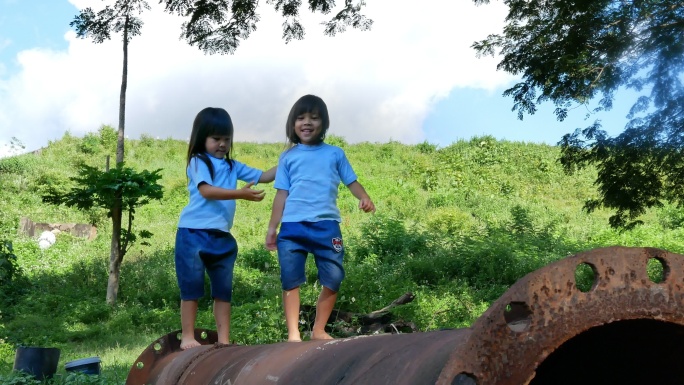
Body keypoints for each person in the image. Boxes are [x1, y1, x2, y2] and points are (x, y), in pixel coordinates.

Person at [265, 94, 375, 342]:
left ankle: (318, 330)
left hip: (326, 227)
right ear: (293, 124)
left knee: (334, 277)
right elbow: (281, 195)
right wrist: (273, 228)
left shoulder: (335, 154)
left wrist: (364, 197)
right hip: (292, 228)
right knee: (290, 279)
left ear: (323, 124)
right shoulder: (288, 157)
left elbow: (351, 181)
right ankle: (293, 333)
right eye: (301, 118)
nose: (307, 123)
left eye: (314, 118)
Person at [175, 107, 276, 349]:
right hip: (192, 233)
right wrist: (240, 194)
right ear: (202, 138)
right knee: (191, 287)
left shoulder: (232, 166)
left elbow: (264, 176)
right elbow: (206, 191)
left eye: (226, 139)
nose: (222, 144)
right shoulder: (198, 161)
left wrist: (289, 158)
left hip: (221, 236)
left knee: (224, 290)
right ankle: (187, 337)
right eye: (216, 139)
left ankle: (224, 341)